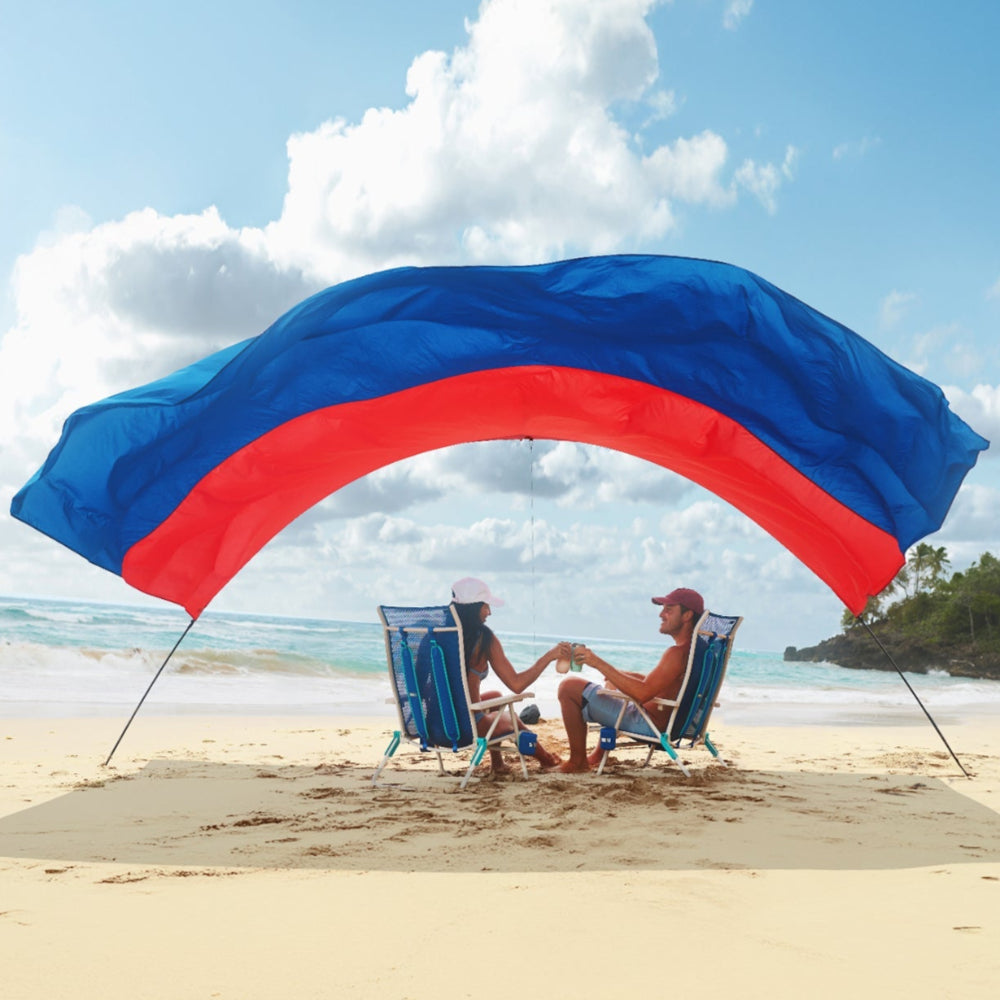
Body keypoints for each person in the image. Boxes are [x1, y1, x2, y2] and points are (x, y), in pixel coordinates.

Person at [556, 587, 704, 773]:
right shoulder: (697, 652)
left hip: (649, 724)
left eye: (669, 610)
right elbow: (667, 686)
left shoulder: (677, 654)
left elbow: (642, 693)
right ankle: (598, 755)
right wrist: (617, 675)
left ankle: (577, 762)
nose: (661, 614)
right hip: (670, 722)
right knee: (613, 682)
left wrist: (597, 662)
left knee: (569, 687)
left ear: (687, 615)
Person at [450, 577, 566, 774]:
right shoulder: (483, 639)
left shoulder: (435, 635)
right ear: (474, 607)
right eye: (486, 606)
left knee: (495, 696)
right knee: (512, 718)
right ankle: (546, 759)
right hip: (467, 729)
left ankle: (498, 764)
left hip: (436, 724)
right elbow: (517, 684)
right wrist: (550, 656)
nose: (489, 612)